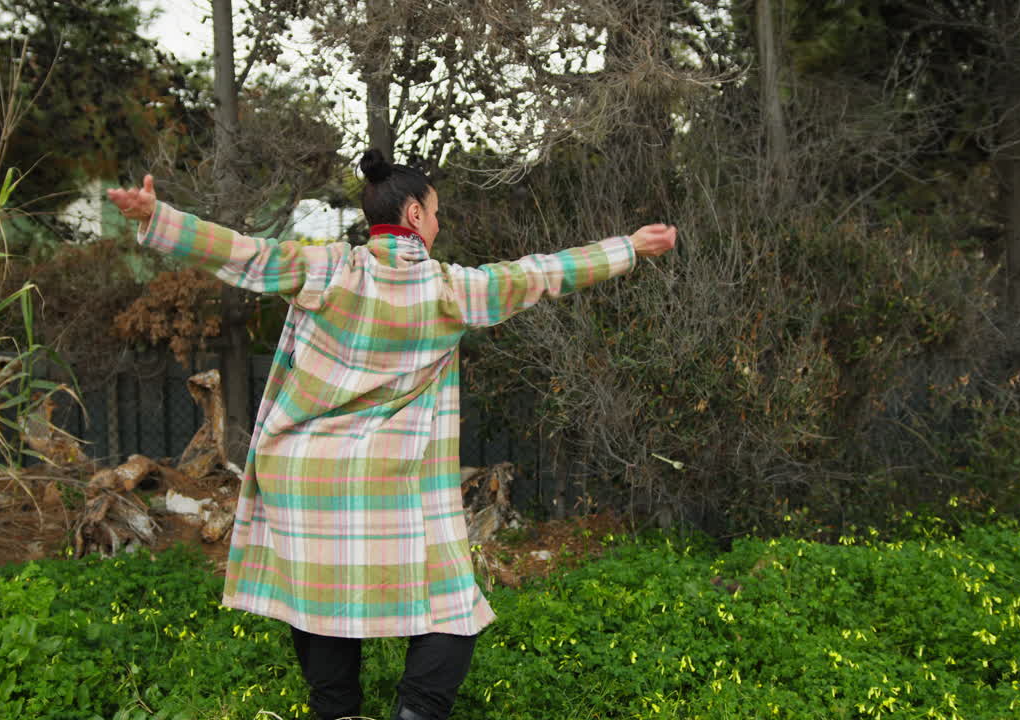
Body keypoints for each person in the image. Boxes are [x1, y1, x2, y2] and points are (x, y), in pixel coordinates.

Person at [107, 149, 676, 720]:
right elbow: (542, 273)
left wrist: (158, 219)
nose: (438, 223)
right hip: (395, 482)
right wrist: (628, 247)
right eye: (433, 213)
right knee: (453, 609)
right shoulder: (450, 289)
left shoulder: (328, 268)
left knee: (322, 606)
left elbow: (244, 254)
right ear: (411, 215)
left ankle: (338, 710)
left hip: (306, 478)